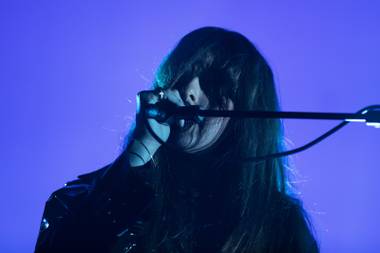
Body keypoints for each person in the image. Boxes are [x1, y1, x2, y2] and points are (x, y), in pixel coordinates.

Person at [35, 27, 319, 253]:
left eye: (215, 82)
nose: (188, 90)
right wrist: (137, 155)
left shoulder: (279, 226)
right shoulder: (81, 198)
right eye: (182, 73)